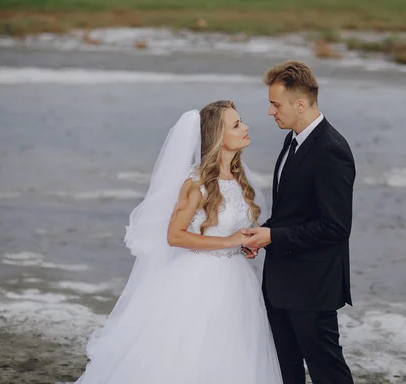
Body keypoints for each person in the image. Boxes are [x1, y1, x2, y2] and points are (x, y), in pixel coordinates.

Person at [75, 101, 283, 384]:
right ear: (217, 138)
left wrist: (246, 242)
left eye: (241, 121)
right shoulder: (196, 183)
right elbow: (174, 235)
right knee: (194, 351)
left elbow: (232, 228)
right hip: (200, 280)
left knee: (234, 350)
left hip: (238, 282)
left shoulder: (238, 178)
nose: (245, 127)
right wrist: (228, 242)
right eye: (236, 125)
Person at [243, 61, 356, 384]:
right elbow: (292, 211)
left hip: (313, 288)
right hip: (281, 284)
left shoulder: (332, 150)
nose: (270, 112)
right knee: (284, 371)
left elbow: (335, 227)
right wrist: (260, 234)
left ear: (301, 104)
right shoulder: (293, 139)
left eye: (275, 104)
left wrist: (273, 237)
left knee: (328, 372)